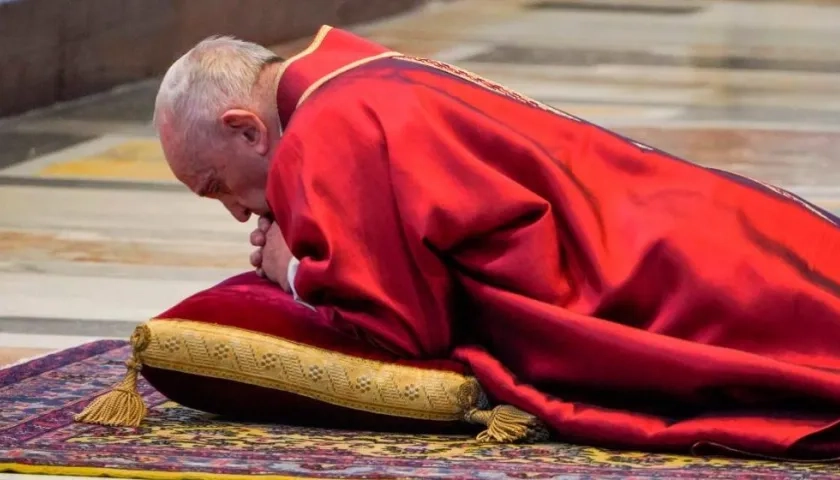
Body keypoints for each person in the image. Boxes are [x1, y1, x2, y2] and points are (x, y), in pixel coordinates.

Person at [153, 27, 840, 459]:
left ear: (248, 128)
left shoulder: (329, 134)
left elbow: (400, 328)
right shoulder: (355, 71)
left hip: (649, 274)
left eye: (218, 186)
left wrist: (293, 272)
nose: (237, 215)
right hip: (679, 216)